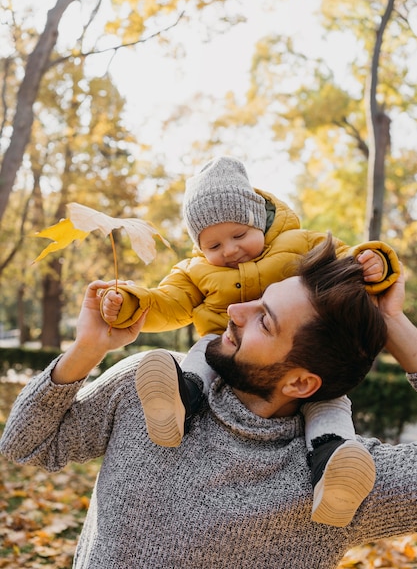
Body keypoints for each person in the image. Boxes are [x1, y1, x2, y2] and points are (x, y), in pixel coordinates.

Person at [1, 237, 416, 569]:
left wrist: (392, 320)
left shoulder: (343, 482)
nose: (235, 311)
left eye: (264, 322)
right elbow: (24, 446)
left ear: (300, 384)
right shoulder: (151, 385)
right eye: (258, 300)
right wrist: (87, 349)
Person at [100, 155, 400, 526]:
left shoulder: (297, 242)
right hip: (220, 343)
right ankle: (180, 397)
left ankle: (334, 464)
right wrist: (131, 302)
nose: (228, 251)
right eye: (212, 245)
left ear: (258, 219)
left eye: (239, 235)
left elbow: (344, 263)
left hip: (308, 355)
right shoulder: (195, 270)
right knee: (201, 352)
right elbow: (168, 302)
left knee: (330, 401)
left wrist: (374, 263)